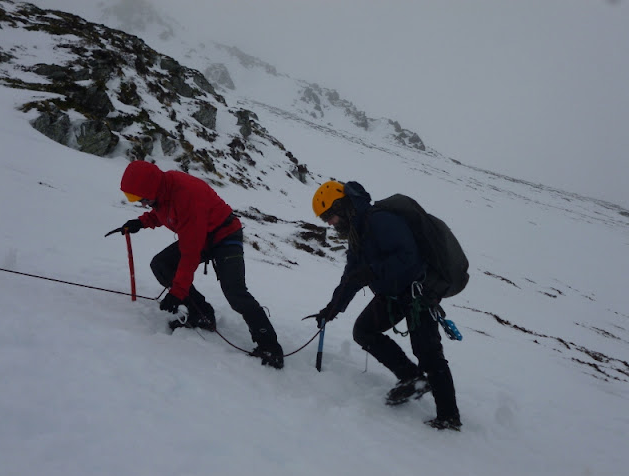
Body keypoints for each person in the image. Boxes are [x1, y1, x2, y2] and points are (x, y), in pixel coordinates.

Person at [312, 180, 461, 430]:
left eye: (330, 215)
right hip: (391, 296)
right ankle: (411, 379)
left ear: (343, 205)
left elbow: (409, 258)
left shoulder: (380, 221)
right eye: (326, 218)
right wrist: (332, 309)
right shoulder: (357, 234)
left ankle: (449, 417)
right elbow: (351, 276)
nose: (330, 223)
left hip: (418, 294)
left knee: (428, 354)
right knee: (364, 331)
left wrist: (372, 271)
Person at [111, 160, 284, 369]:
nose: (141, 203)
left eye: (141, 199)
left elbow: (190, 253)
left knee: (235, 291)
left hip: (225, 235)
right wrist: (142, 222)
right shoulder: (163, 191)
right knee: (161, 264)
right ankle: (201, 315)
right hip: (202, 235)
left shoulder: (185, 195)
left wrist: (177, 292)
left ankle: (270, 347)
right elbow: (163, 211)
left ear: (151, 189)